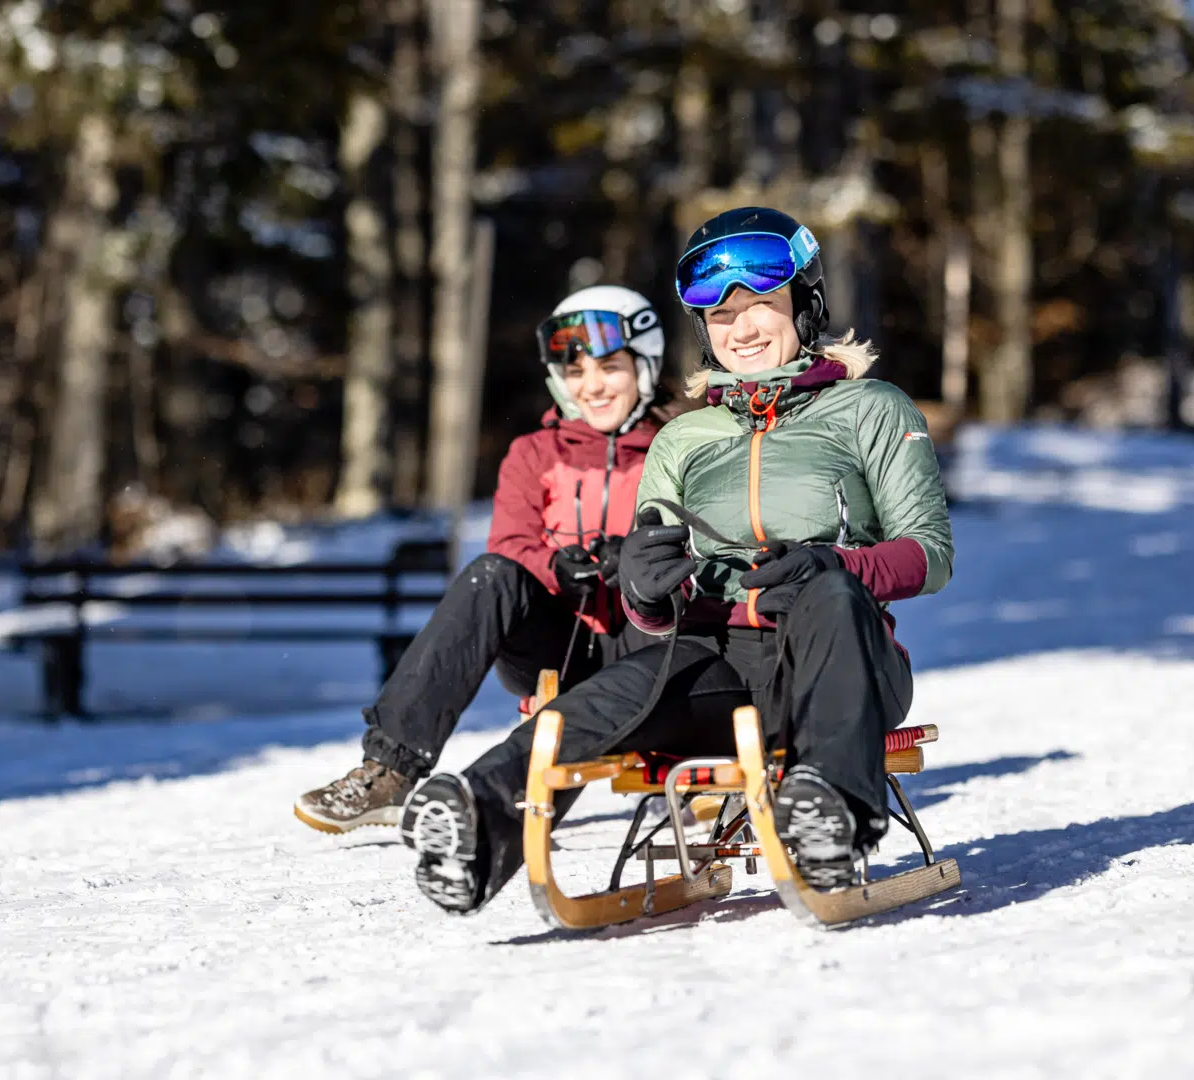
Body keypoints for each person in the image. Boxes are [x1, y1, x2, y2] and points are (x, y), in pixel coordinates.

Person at [397, 207, 955, 912]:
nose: (742, 329)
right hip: (718, 657)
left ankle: (828, 820)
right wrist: (646, 590)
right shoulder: (684, 438)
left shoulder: (870, 409)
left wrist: (838, 566)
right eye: (722, 319)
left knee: (829, 596)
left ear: (804, 305)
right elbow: (646, 602)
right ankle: (476, 825)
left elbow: (928, 555)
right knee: (614, 691)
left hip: (837, 650)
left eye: (759, 306)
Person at [294, 286, 673, 833]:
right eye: (575, 371)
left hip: (647, 639)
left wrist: (639, 558)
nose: (591, 386)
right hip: (556, 641)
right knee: (491, 574)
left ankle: (691, 764)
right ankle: (390, 771)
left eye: (609, 367)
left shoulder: (678, 443)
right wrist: (557, 568)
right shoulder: (534, 453)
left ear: (645, 364)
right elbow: (511, 543)